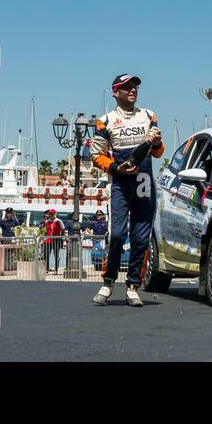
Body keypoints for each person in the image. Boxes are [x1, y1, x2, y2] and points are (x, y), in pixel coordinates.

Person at [90, 73, 164, 307]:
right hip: (121, 183)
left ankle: (133, 286)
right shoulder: (105, 121)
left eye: (135, 87)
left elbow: (159, 152)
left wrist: (156, 142)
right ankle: (108, 281)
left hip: (144, 183)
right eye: (127, 87)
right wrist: (115, 168)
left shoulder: (149, 115)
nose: (133, 90)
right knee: (118, 235)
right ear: (115, 92)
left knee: (141, 238)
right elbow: (96, 156)